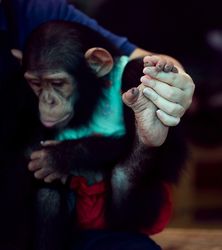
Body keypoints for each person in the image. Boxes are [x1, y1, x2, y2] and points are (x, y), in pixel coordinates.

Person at [0, 0, 194, 250]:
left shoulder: (29, 9)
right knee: (46, 195)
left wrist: (172, 85)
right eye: (37, 86)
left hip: (123, 206)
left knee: (125, 173)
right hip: (56, 213)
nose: (46, 100)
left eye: (57, 84)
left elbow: (168, 163)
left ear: (98, 65)